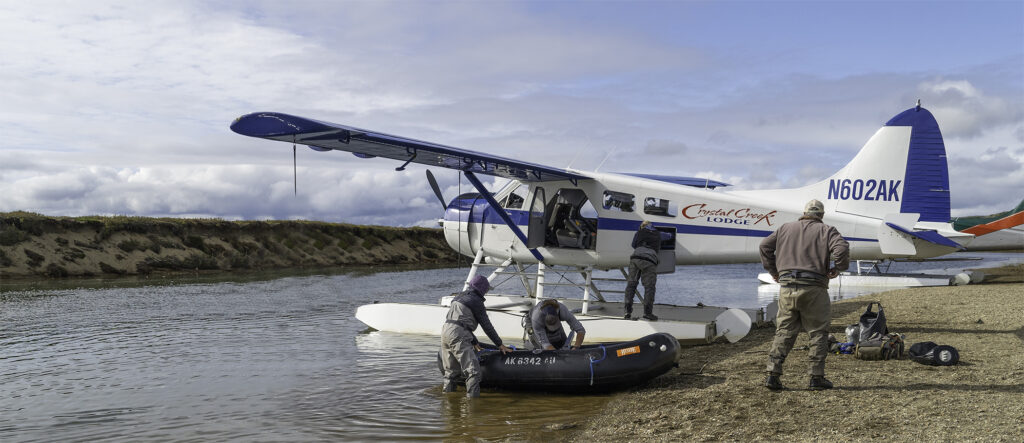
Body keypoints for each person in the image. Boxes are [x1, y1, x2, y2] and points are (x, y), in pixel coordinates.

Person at [759, 199, 849, 391]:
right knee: (818, 332)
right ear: (821, 215)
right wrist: (838, 268)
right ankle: (816, 377)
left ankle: (772, 375)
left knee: (784, 330)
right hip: (814, 287)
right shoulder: (827, 230)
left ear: (804, 213)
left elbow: (764, 246)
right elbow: (841, 249)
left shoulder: (785, 228)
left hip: (787, 287)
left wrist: (774, 271)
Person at [440, 275, 512, 398]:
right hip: (458, 333)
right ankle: (472, 404)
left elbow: (459, 320)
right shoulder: (476, 301)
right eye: (487, 289)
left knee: (451, 372)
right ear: (482, 289)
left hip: (445, 331)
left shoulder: (458, 297)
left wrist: (474, 341)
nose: (487, 292)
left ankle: (448, 399)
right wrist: (500, 345)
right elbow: (487, 326)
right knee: (473, 372)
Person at [624, 221, 672, 321]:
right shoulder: (658, 233)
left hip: (635, 258)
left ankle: (627, 311)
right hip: (649, 260)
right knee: (649, 287)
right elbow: (670, 236)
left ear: (642, 227)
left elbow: (633, 245)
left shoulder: (638, 233)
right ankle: (647, 313)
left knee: (631, 284)